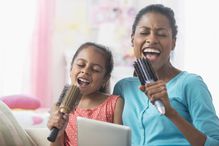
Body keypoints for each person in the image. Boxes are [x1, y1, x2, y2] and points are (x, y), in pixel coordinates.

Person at [113, 4, 219, 146]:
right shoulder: (123, 87)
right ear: (133, 40)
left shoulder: (190, 84)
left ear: (173, 43)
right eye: (144, 32)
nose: (152, 39)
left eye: (161, 34)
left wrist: (171, 113)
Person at [47, 42, 124, 146]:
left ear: (105, 79)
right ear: (71, 69)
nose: (85, 71)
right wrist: (57, 133)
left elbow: (120, 142)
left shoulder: (115, 104)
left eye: (95, 70)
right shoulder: (59, 108)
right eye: (80, 65)